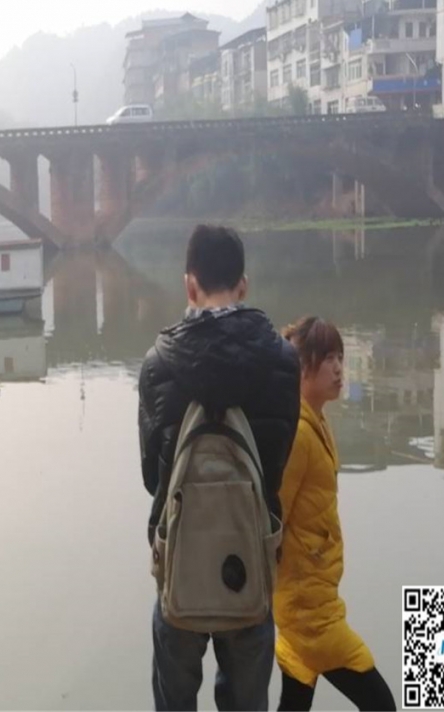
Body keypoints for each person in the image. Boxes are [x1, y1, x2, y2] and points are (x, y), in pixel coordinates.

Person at [138, 224, 301, 711]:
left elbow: (152, 477)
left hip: (180, 561)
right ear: (243, 285)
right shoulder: (283, 361)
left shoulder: (157, 364)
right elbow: (276, 464)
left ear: (190, 285)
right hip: (251, 556)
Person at [274, 316, 396, 711]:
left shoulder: (317, 421)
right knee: (380, 703)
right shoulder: (298, 433)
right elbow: (274, 517)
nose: (340, 368)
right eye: (328, 359)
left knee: (295, 703)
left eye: (340, 357)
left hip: (313, 595)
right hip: (308, 611)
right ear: (302, 367)